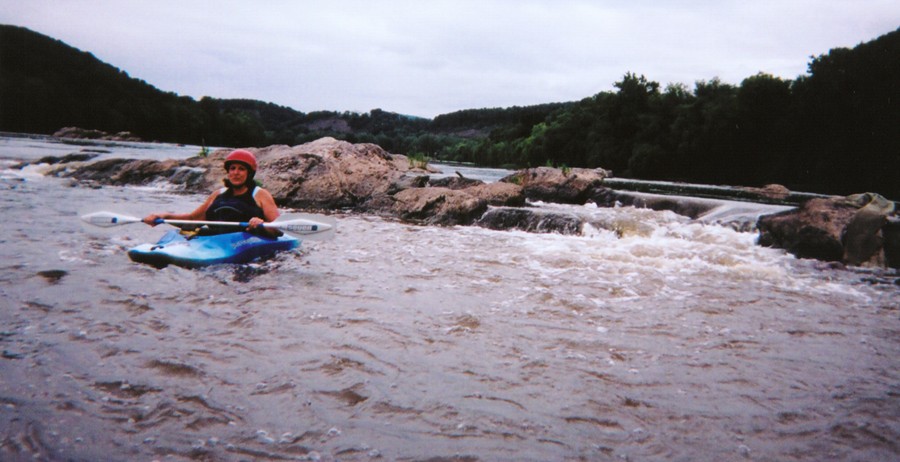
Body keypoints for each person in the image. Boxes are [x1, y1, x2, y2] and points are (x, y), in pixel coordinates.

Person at [143, 149, 281, 237]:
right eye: (232, 168)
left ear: (249, 173)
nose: (236, 173)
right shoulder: (218, 194)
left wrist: (261, 224)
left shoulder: (260, 194)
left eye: (241, 169)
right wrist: (164, 216)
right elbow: (192, 220)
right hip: (213, 241)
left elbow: (278, 229)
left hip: (243, 241)